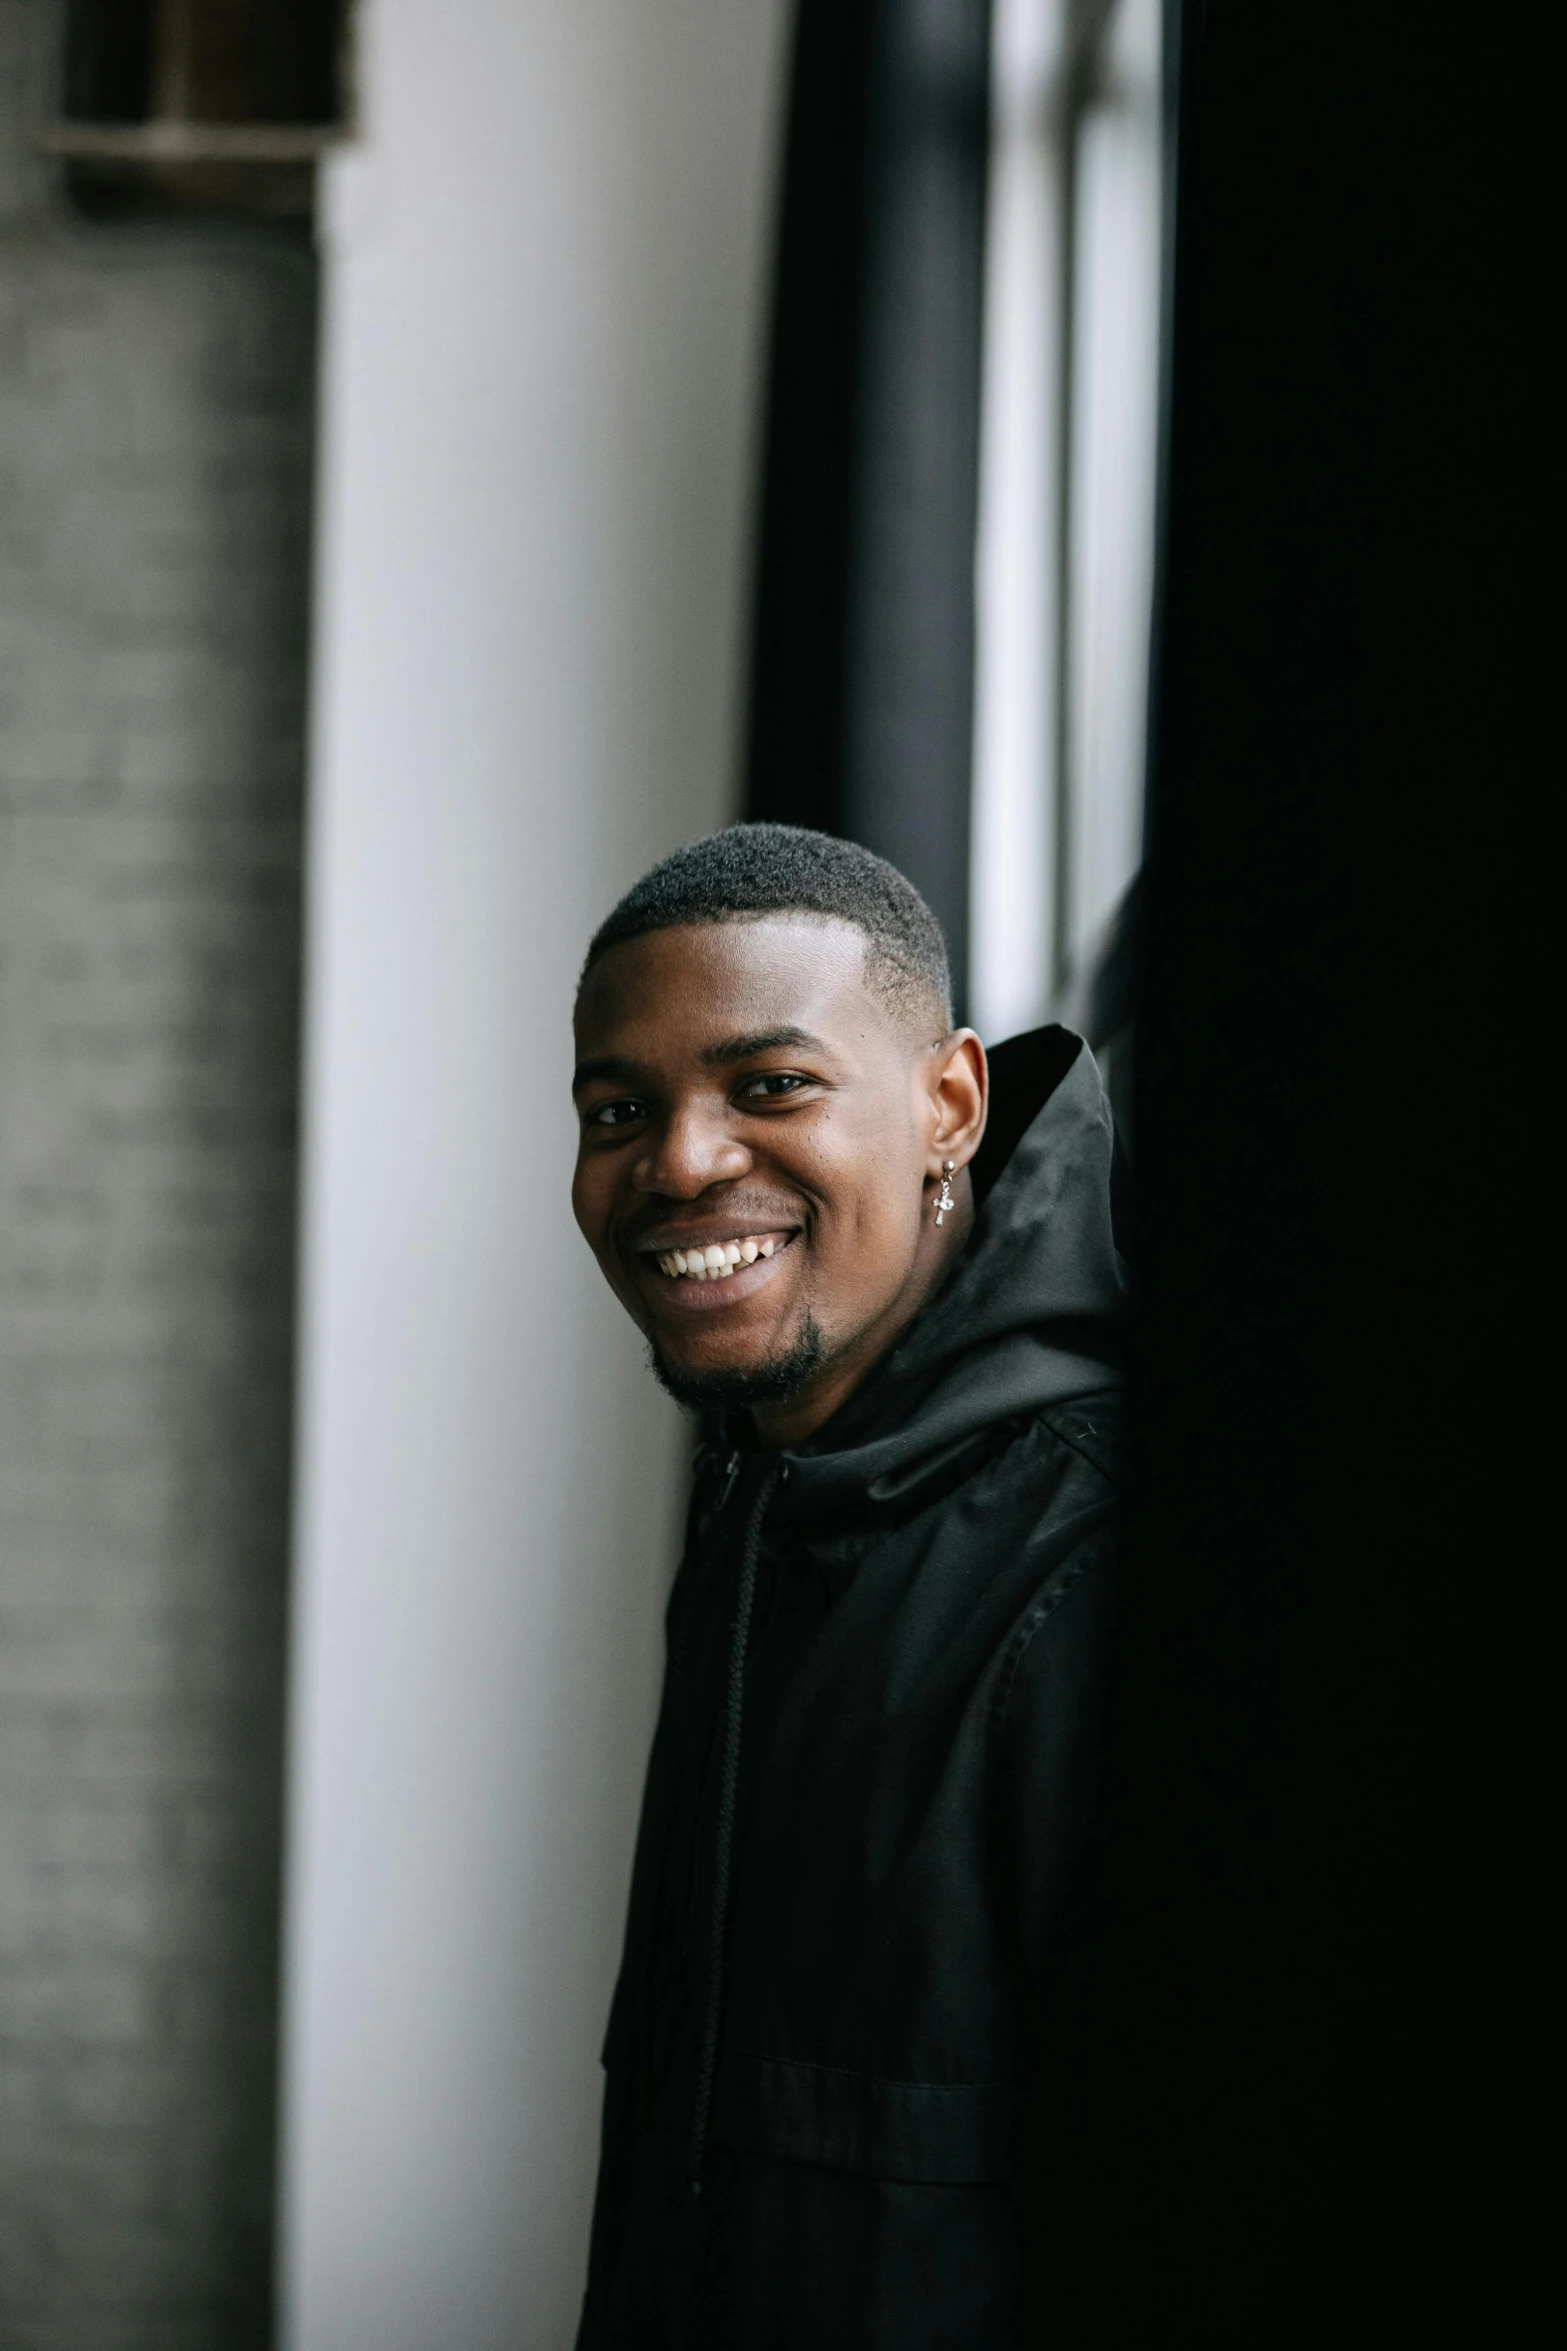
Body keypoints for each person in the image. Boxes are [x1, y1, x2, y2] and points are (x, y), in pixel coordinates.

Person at [570, 823, 1126, 2348]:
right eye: (620, 1106)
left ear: (948, 1102)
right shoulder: (773, 1503)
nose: (678, 1160)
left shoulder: (1085, 1567)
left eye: (771, 1086)